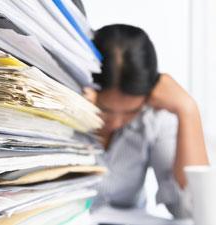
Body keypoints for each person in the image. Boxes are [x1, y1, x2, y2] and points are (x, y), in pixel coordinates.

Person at [85, 24, 209, 218]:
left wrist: (188, 110)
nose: (117, 122)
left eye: (130, 111)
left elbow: (190, 210)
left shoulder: (153, 116)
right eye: (105, 109)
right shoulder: (68, 102)